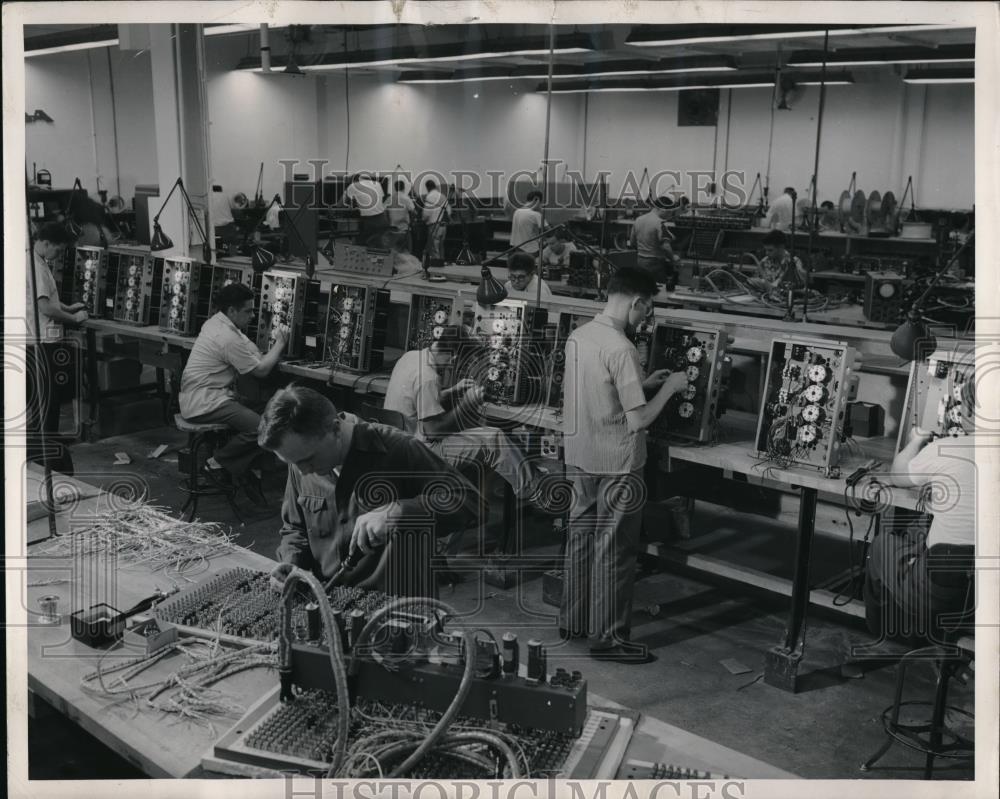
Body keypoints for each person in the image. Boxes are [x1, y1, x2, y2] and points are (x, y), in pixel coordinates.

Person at [560, 266, 691, 663]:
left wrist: (643, 383)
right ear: (637, 302)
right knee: (615, 550)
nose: (644, 319)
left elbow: (603, 389)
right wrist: (669, 388)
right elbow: (638, 421)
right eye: (646, 310)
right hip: (617, 464)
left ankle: (574, 621)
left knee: (580, 539)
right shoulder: (622, 348)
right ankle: (609, 639)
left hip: (580, 456)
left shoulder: (580, 335)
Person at [261, 385, 481, 591]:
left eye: (308, 460)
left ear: (336, 429)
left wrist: (398, 512)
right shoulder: (300, 461)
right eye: (292, 463)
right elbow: (295, 528)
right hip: (330, 600)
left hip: (395, 605)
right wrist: (292, 562)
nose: (302, 472)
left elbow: (471, 503)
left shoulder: (398, 449)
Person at [384, 325, 559, 511]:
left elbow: (418, 402)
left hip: (398, 444)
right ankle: (537, 491)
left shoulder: (410, 357)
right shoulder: (428, 377)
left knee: (476, 434)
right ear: (454, 357)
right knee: (494, 439)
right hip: (421, 452)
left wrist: (452, 391)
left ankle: (520, 485)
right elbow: (432, 431)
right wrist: (466, 404)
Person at [863, 379, 976, 647]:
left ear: (970, 411)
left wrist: (917, 441)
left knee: (882, 546)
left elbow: (898, 476)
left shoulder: (947, 449)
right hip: (987, 594)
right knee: (920, 530)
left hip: (942, 590)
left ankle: (885, 638)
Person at [179, 282, 287, 504]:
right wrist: (280, 343)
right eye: (247, 311)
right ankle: (217, 463)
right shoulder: (226, 337)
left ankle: (248, 473)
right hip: (205, 401)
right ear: (231, 311)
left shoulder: (218, 323)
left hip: (208, 395)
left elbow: (252, 351)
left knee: (273, 411)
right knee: (264, 428)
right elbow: (262, 370)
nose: (253, 315)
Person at [26, 223, 88, 475]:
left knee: (43, 406)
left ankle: (44, 460)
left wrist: (68, 307)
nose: (59, 256)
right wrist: (74, 319)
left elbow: (48, 299)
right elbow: (45, 308)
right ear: (47, 242)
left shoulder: (35, 261)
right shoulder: (36, 266)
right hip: (42, 346)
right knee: (47, 407)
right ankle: (47, 464)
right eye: (59, 250)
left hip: (36, 344)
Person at [628, 196, 681, 289]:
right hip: (655, 266)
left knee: (642, 289)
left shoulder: (638, 220)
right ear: (663, 209)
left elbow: (632, 243)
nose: (669, 216)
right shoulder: (659, 223)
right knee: (658, 292)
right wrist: (673, 258)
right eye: (669, 212)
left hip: (640, 262)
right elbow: (666, 246)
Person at [345, 172, 389, 246]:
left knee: (362, 246)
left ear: (353, 181)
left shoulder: (352, 186)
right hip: (383, 219)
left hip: (369, 221)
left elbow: (346, 202)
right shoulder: (377, 183)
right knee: (380, 246)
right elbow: (380, 200)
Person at [421, 180, 450, 260]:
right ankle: (442, 265)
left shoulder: (430, 196)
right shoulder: (442, 196)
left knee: (434, 248)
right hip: (443, 225)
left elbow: (426, 213)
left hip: (434, 225)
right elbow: (449, 210)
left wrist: (423, 219)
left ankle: (437, 268)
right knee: (441, 247)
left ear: (428, 187)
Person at [386, 179, 415, 253]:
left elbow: (384, 212)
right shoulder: (406, 198)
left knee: (394, 253)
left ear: (395, 188)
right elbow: (413, 211)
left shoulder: (389, 199)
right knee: (407, 252)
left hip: (392, 230)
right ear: (404, 188)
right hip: (404, 229)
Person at [510, 190, 544, 254]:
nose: (541, 204)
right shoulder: (536, 214)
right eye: (540, 202)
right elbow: (549, 230)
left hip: (517, 247)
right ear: (537, 200)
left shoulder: (517, 211)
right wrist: (540, 211)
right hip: (531, 249)